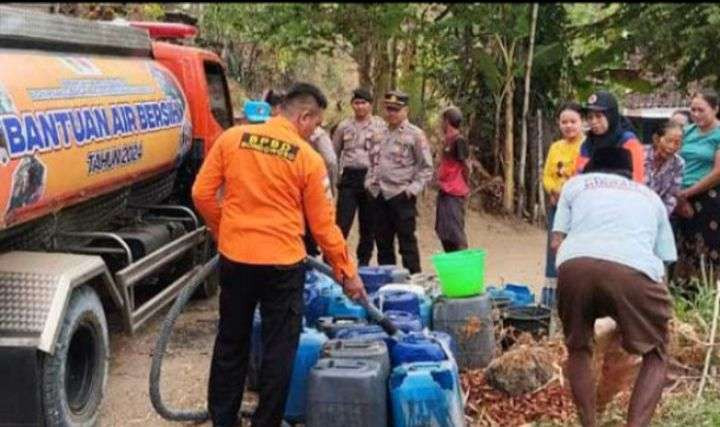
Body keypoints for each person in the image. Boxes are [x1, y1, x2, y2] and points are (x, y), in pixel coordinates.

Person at [192, 82, 366, 427]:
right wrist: (346, 271)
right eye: (315, 125)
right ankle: (266, 422)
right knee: (279, 350)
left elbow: (201, 193)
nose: (314, 132)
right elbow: (323, 227)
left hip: (236, 258)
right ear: (304, 116)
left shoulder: (232, 139)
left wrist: (225, 229)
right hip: (282, 266)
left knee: (231, 341)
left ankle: (224, 420)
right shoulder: (307, 159)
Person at [551, 146, 676, 427]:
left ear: (591, 168)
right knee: (656, 352)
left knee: (579, 349)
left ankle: (589, 424)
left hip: (575, 264)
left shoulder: (575, 185)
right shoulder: (650, 197)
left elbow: (557, 241)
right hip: (632, 269)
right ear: (629, 175)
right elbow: (664, 259)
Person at [366, 90, 433, 273]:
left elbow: (426, 168)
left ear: (406, 111)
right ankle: (389, 282)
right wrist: (370, 182)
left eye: (396, 109)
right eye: (388, 109)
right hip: (380, 195)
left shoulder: (415, 135)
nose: (391, 113)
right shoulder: (379, 132)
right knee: (383, 244)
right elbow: (373, 160)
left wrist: (412, 190)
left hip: (402, 195)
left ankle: (414, 283)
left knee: (407, 244)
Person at [332, 88, 386, 266]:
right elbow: (334, 153)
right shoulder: (344, 126)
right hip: (349, 178)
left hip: (372, 178)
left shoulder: (381, 126)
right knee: (342, 224)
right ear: (352, 105)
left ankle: (364, 263)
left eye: (364, 103)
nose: (360, 106)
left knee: (368, 225)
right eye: (357, 103)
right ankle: (333, 261)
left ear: (371, 105)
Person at [674, 89, 720, 282]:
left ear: (715, 109)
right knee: (683, 244)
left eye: (701, 110)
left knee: (708, 247)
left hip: (708, 198)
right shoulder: (687, 132)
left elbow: (718, 172)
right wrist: (678, 195)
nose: (696, 114)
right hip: (679, 196)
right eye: (693, 110)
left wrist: (688, 193)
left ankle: (709, 294)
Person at [541, 102, 584, 294]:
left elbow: (584, 175)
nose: (568, 126)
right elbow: (547, 176)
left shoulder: (587, 147)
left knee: (576, 246)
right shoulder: (555, 147)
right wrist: (553, 191)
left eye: (573, 121)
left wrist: (566, 194)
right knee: (554, 246)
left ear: (581, 123)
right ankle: (551, 292)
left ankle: (575, 289)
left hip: (579, 206)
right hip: (555, 205)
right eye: (564, 122)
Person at [575, 91, 645, 183]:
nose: (594, 122)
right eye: (590, 117)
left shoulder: (627, 141)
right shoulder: (587, 144)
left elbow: (636, 180)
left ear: (611, 116)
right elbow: (579, 176)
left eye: (598, 116)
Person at [435, 106, 470, 252]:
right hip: (444, 190)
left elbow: (466, 165)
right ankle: (451, 265)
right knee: (443, 231)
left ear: (447, 121)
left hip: (454, 193)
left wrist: (463, 187)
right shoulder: (447, 141)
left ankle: (463, 267)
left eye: (442, 120)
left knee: (455, 233)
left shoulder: (458, 140)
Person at [304, 125, 339, 256]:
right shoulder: (318, 134)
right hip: (313, 185)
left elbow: (331, 161)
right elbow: (331, 161)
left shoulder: (318, 135)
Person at [644, 120, 685, 215]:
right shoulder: (638, 154)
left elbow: (672, 195)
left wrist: (661, 216)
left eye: (677, 143)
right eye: (669, 141)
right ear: (656, 139)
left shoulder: (678, 163)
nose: (672, 147)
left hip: (658, 213)